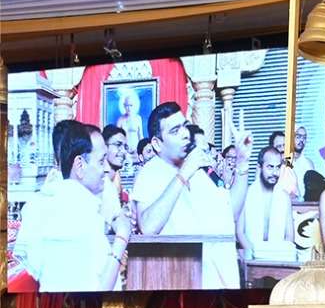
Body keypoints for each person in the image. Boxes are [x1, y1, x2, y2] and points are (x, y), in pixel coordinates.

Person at [130, 103, 248, 289]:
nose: (185, 134)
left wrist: (242, 163)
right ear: (157, 144)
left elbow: (229, 211)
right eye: (175, 130)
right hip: (178, 279)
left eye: (184, 126)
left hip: (214, 276)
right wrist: (183, 173)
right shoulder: (150, 173)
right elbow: (148, 227)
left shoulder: (200, 169)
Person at [14, 121, 127, 292]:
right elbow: (95, 292)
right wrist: (122, 238)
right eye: (101, 161)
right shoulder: (74, 213)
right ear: (80, 165)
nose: (105, 168)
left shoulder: (53, 199)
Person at [239, 146, 299, 262]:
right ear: (259, 167)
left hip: (278, 259)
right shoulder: (246, 194)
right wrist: (252, 255)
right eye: (270, 167)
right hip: (250, 258)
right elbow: (240, 232)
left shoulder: (284, 197)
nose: (275, 173)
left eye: (278, 167)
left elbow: (289, 236)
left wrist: (279, 257)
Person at [98, 124, 131, 224]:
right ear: (104, 147)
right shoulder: (99, 184)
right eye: (118, 145)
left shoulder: (114, 182)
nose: (123, 151)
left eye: (125, 147)